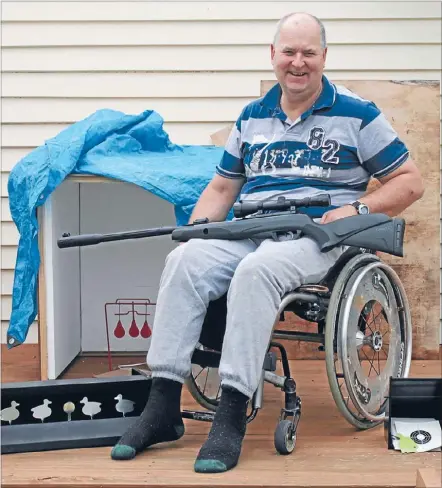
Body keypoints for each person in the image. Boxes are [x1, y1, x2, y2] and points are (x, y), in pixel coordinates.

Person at [110, 12, 424, 472]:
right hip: (251, 228)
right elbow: (222, 188)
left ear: (324, 57)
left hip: (318, 237)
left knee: (259, 271)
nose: (298, 63)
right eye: (289, 52)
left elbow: (409, 182)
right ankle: (162, 406)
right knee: (185, 261)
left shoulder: (358, 114)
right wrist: (198, 229)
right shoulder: (252, 116)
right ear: (273, 56)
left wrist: (355, 211)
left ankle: (232, 412)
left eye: (309, 53)